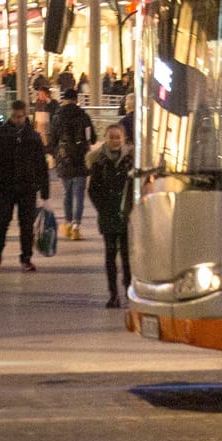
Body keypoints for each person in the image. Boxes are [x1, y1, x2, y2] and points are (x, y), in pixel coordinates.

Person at [0, 99, 49, 271]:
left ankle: (26, 257)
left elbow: (41, 164)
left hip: (27, 187)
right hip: (5, 186)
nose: (18, 119)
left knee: (26, 224)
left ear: (25, 114)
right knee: (2, 221)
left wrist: (44, 191)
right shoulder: (0, 134)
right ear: (11, 114)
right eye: (15, 116)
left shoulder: (33, 137)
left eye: (20, 116)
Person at [87, 123, 136, 307]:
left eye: (118, 137)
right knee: (110, 255)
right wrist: (103, 207)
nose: (115, 140)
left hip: (126, 215)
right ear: (106, 139)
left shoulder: (130, 161)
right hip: (108, 214)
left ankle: (129, 289)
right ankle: (113, 293)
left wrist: (131, 208)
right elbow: (93, 190)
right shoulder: (99, 162)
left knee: (126, 256)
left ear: (123, 139)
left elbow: (135, 187)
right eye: (111, 137)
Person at [51, 88, 96, 240]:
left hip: (64, 159)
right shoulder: (84, 116)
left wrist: (55, 154)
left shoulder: (57, 116)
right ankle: (77, 226)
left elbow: (53, 140)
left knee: (67, 193)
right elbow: (93, 138)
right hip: (81, 158)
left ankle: (68, 224)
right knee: (79, 195)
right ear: (76, 100)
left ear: (64, 99)